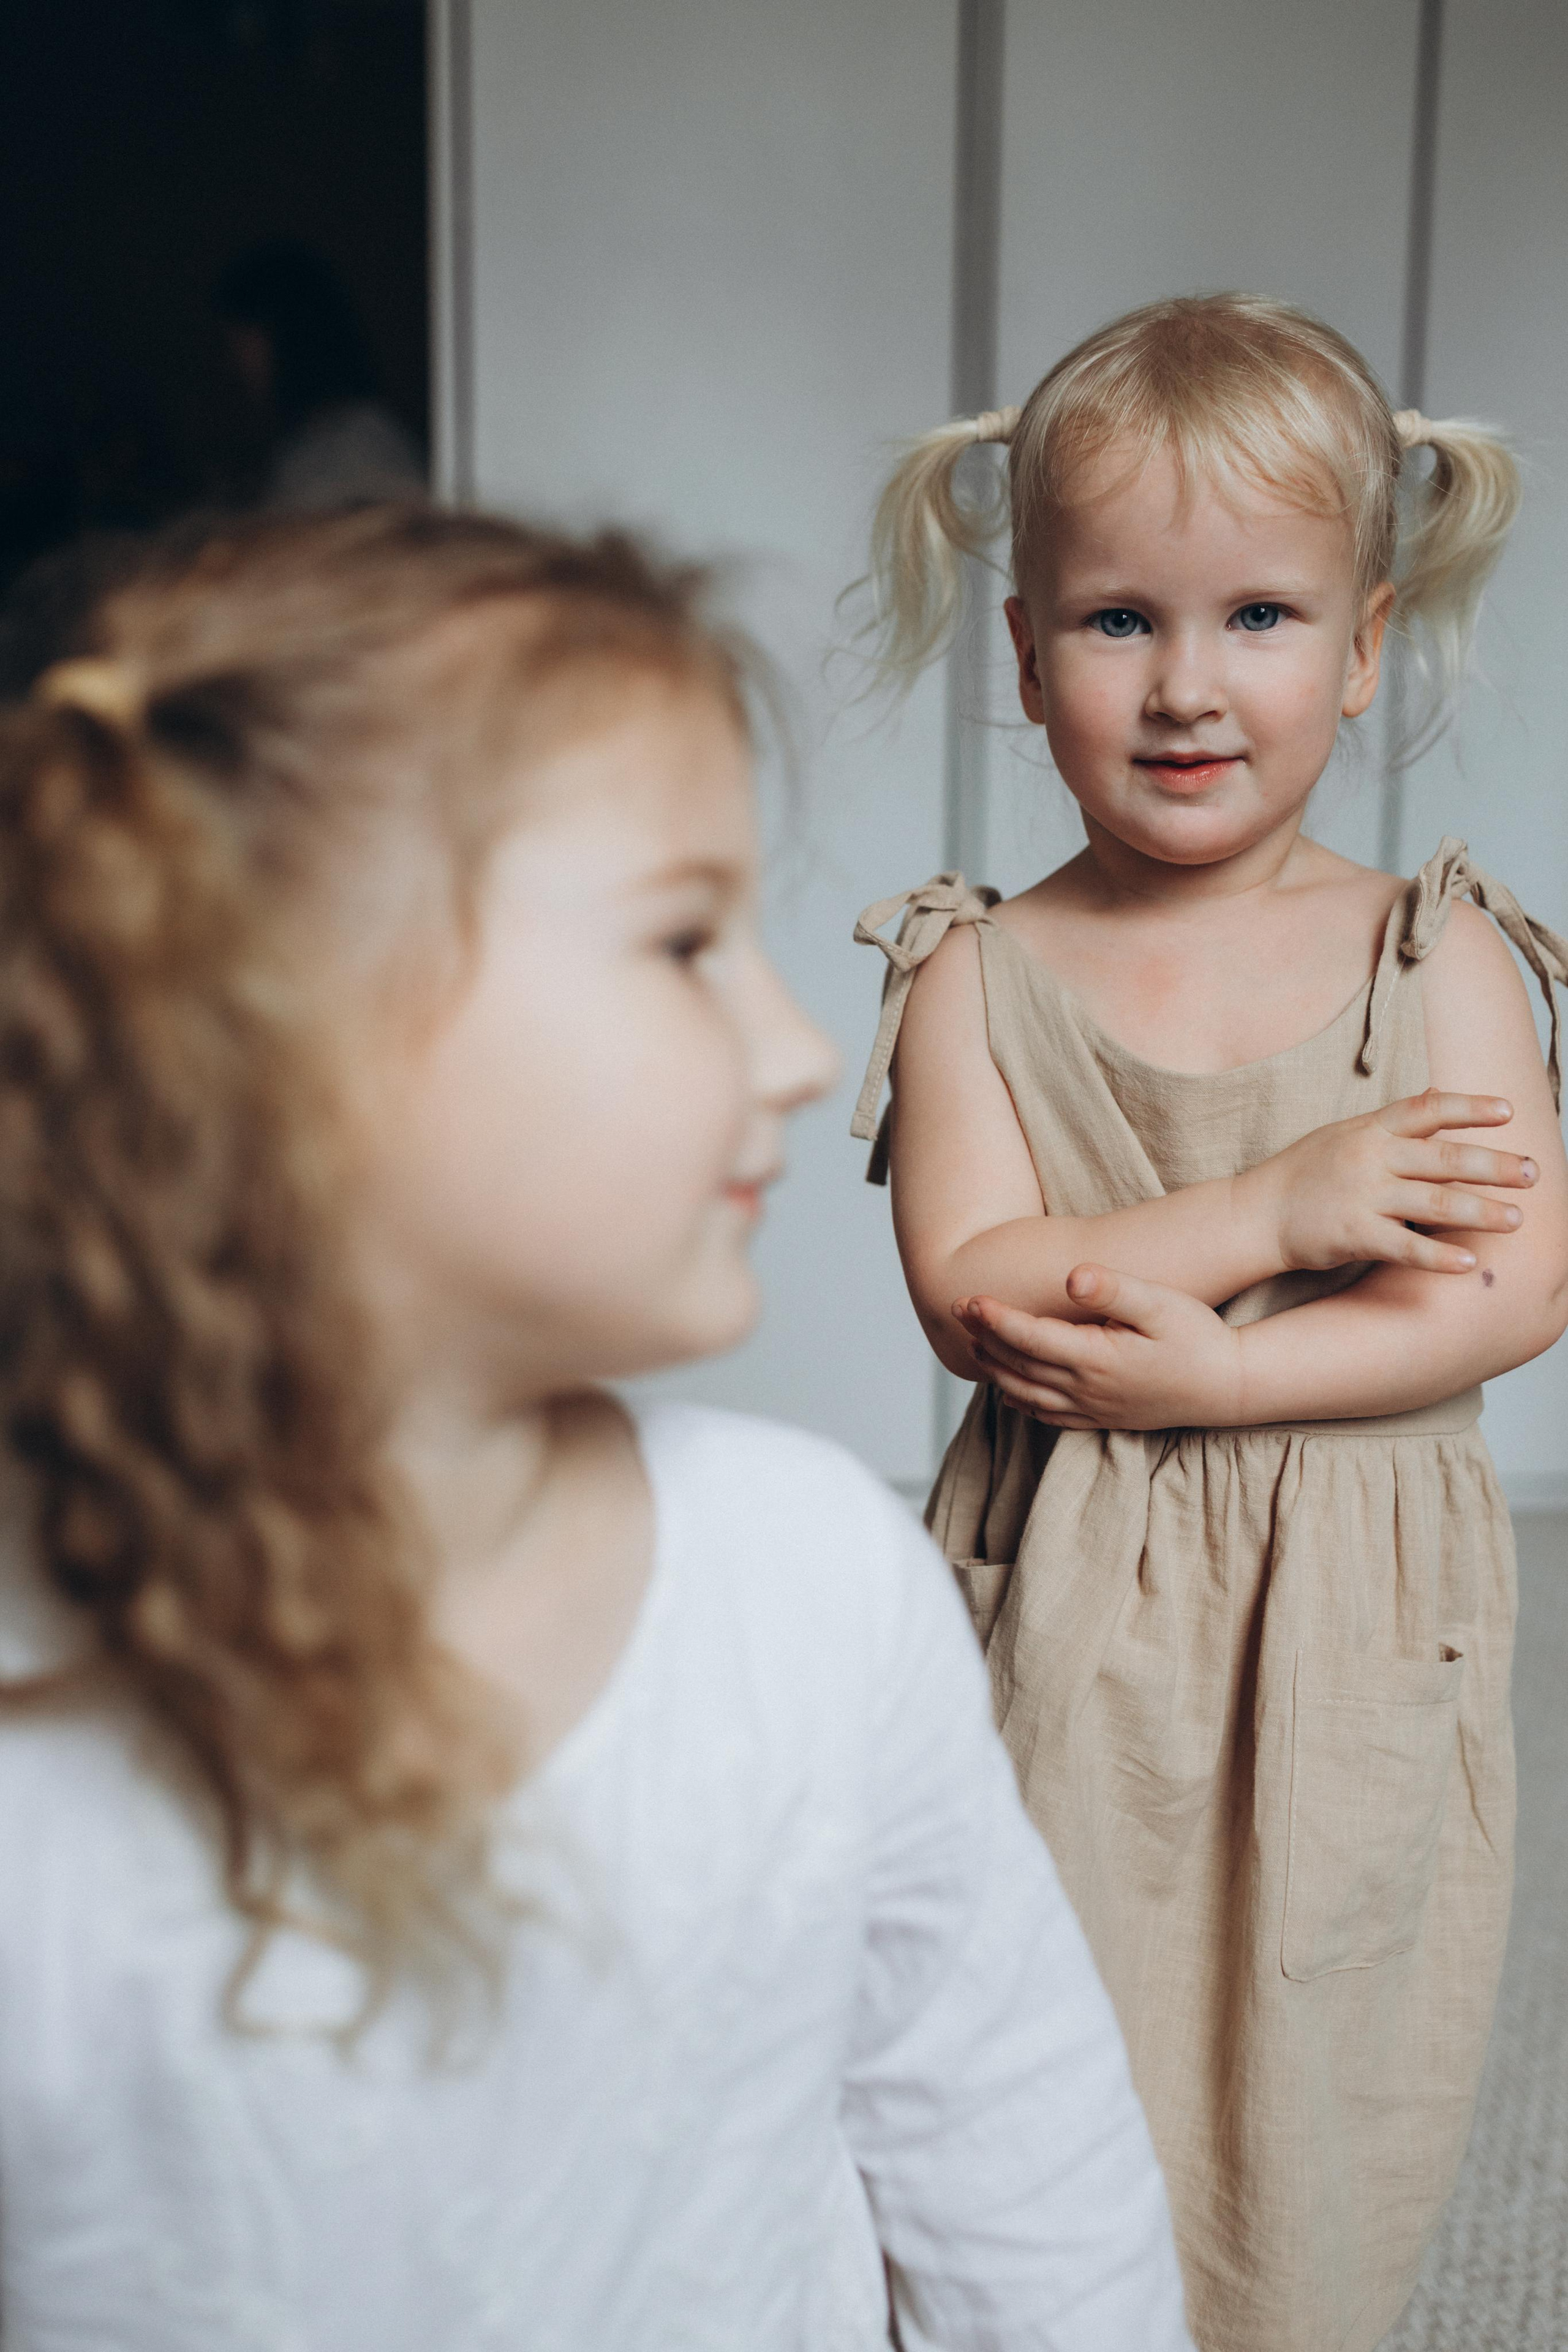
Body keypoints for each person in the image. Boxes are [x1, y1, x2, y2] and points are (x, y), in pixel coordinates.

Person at [0, 505, 1193, 2351]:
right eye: (683, 939)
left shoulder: (810, 1578)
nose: (800, 1048)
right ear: (281, 1032)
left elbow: (1017, 2152)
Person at [849, 293, 1568, 2352]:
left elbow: (1514, 1282)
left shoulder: (1433, 958)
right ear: (1024, 655)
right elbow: (975, 1288)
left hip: (1350, 1614)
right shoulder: (981, 976)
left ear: (1365, 643)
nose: (1185, 686)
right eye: (1116, 622)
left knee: (1318, 2070)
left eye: (1259, 616)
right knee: (1030, 2044)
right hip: (1065, 1597)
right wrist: (1272, 1210)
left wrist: (1234, 1365)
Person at [215, 241, 426, 510]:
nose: (235, 363)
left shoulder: (361, 441)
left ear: (288, 338)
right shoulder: (307, 441)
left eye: (242, 343)